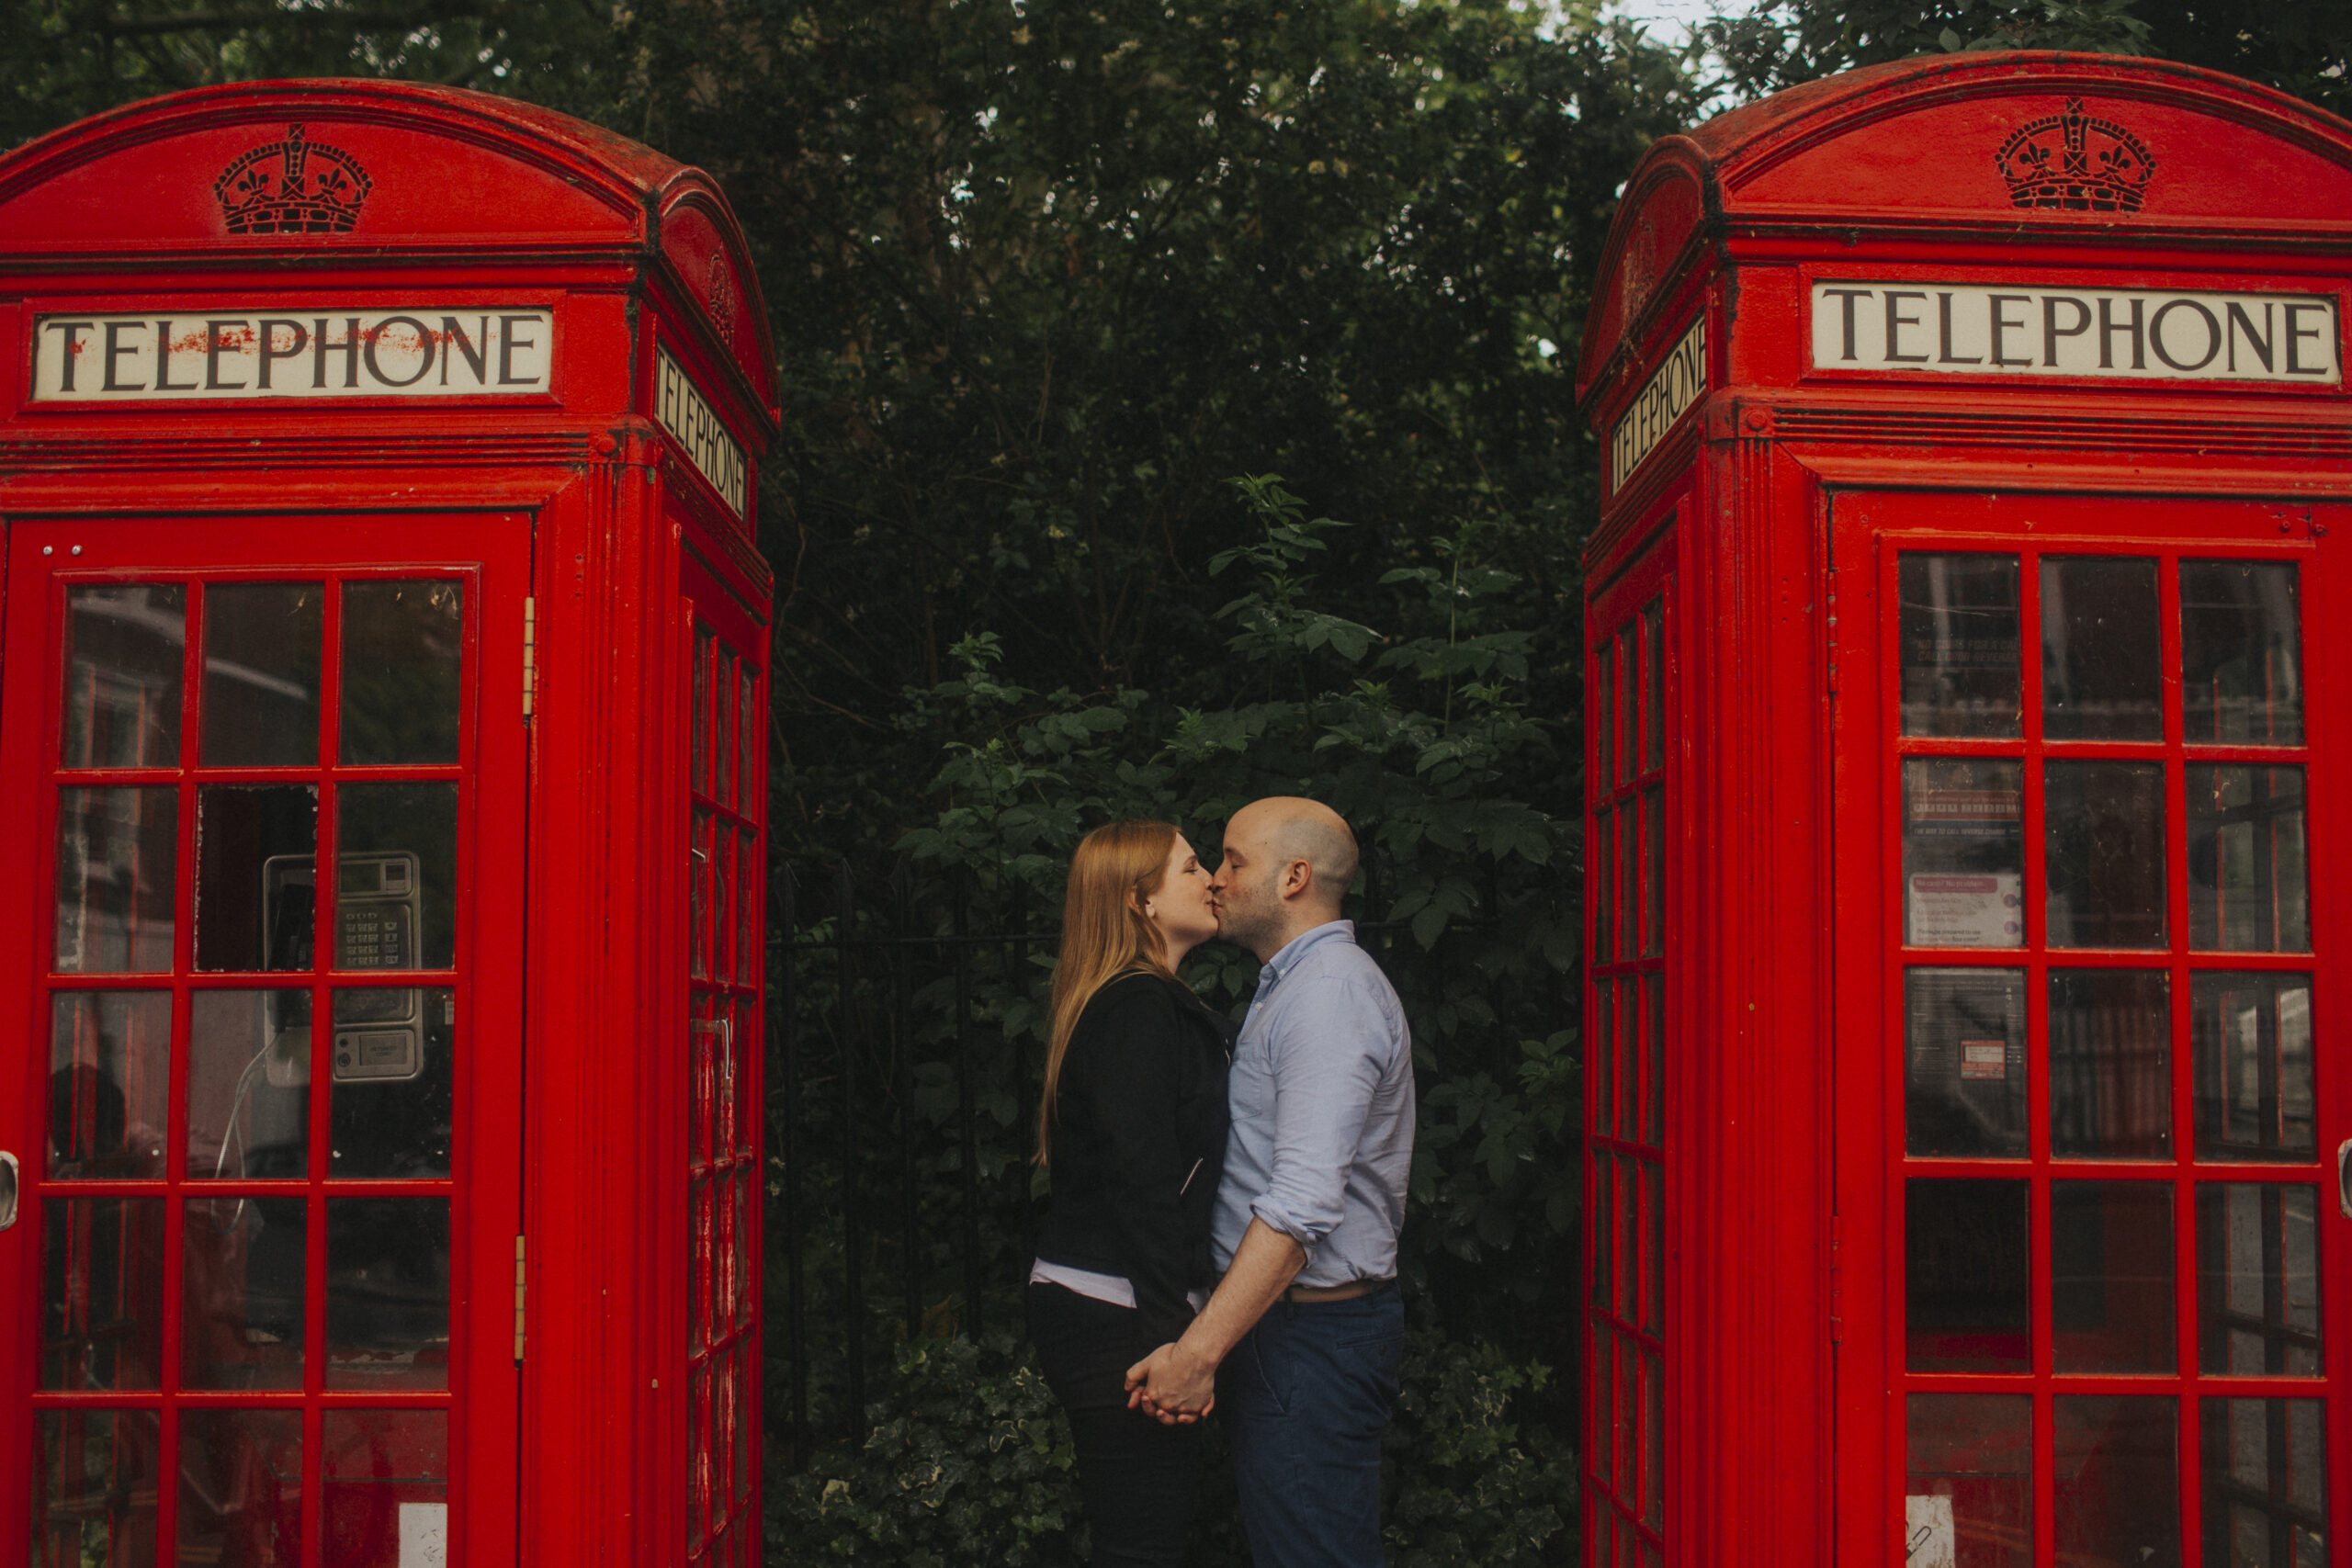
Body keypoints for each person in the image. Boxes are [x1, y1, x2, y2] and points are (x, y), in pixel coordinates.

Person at [1125, 796, 1415, 1568]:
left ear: (1294, 876)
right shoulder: (1292, 984)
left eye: (1234, 859)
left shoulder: (1327, 997)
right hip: (1290, 1330)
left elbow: (1301, 1208)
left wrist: (1198, 1353)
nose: (1218, 878)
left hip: (1308, 1336)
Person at [1026, 819, 1235, 1568]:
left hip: (1111, 1300)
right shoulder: (1138, 1007)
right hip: (1117, 1310)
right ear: (1139, 900)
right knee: (1142, 1547)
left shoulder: (1132, 1002)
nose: (1211, 876)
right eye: (1189, 866)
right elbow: (1141, 1178)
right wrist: (1170, 1342)